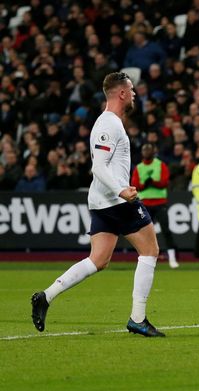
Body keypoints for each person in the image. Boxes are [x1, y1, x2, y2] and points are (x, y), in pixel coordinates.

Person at [30, 72, 164, 337]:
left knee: (98, 259)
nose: (135, 93)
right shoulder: (109, 124)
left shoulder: (109, 123)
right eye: (132, 89)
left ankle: (46, 296)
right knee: (150, 251)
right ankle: (138, 318)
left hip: (102, 201)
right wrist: (121, 190)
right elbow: (99, 166)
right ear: (121, 93)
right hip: (115, 200)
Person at [131, 142, 180, 269]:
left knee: (166, 230)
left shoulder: (160, 165)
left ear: (153, 152)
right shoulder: (139, 167)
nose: (146, 152)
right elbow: (135, 185)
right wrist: (146, 184)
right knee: (143, 233)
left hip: (159, 203)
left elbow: (164, 182)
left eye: (148, 150)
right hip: (144, 204)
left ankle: (172, 259)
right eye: (144, 150)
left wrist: (151, 182)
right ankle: (146, 258)